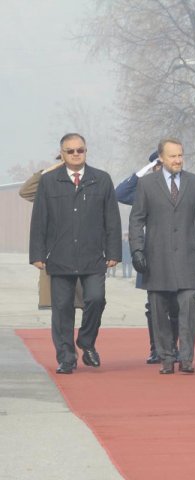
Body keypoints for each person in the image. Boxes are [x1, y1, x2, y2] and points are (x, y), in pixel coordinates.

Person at [29, 133, 121, 374]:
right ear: (62, 154)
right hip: (60, 255)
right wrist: (37, 254)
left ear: (86, 151)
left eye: (80, 150)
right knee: (62, 309)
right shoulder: (49, 181)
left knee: (96, 299)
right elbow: (39, 220)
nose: (76, 154)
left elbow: (112, 218)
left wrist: (113, 251)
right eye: (70, 151)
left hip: (93, 256)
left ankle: (86, 340)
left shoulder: (101, 180)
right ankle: (67, 358)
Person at [129, 138, 195, 375]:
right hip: (156, 259)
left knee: (188, 308)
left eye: (180, 155)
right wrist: (137, 250)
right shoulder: (147, 184)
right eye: (173, 156)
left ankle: (186, 358)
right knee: (158, 311)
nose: (178, 160)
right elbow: (136, 220)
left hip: (187, 258)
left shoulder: (194, 182)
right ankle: (166, 357)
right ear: (161, 158)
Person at [115, 151, 180, 364]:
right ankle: (156, 348)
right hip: (153, 255)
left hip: (178, 254)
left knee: (176, 305)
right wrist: (146, 168)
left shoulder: (183, 186)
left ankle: (173, 347)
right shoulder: (146, 191)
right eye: (159, 166)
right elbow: (121, 193)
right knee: (154, 306)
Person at [20, 157, 84, 311]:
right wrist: (47, 171)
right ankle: (63, 336)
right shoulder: (48, 185)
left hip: (83, 252)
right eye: (63, 159)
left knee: (92, 302)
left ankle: (85, 335)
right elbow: (25, 191)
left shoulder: (89, 181)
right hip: (57, 252)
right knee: (60, 307)